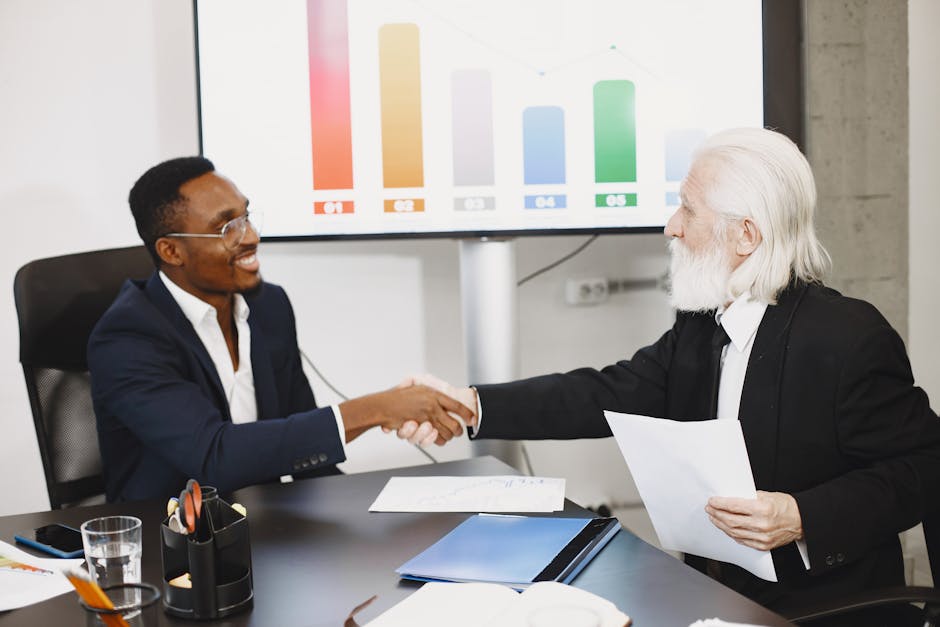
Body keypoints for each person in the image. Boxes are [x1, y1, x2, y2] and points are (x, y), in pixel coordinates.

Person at [405, 128, 940, 620]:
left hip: (824, 608)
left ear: (745, 236)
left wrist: (804, 515)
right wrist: (471, 404)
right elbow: (608, 392)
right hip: (712, 594)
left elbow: (924, 467)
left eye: (688, 209)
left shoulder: (849, 338)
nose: (671, 226)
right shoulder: (703, 322)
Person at [88, 157, 470, 503]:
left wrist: (379, 514)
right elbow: (214, 456)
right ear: (172, 252)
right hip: (175, 550)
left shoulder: (268, 306)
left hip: (268, 527)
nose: (251, 236)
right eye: (226, 228)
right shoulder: (127, 338)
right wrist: (375, 408)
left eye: (246, 217)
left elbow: (303, 451)